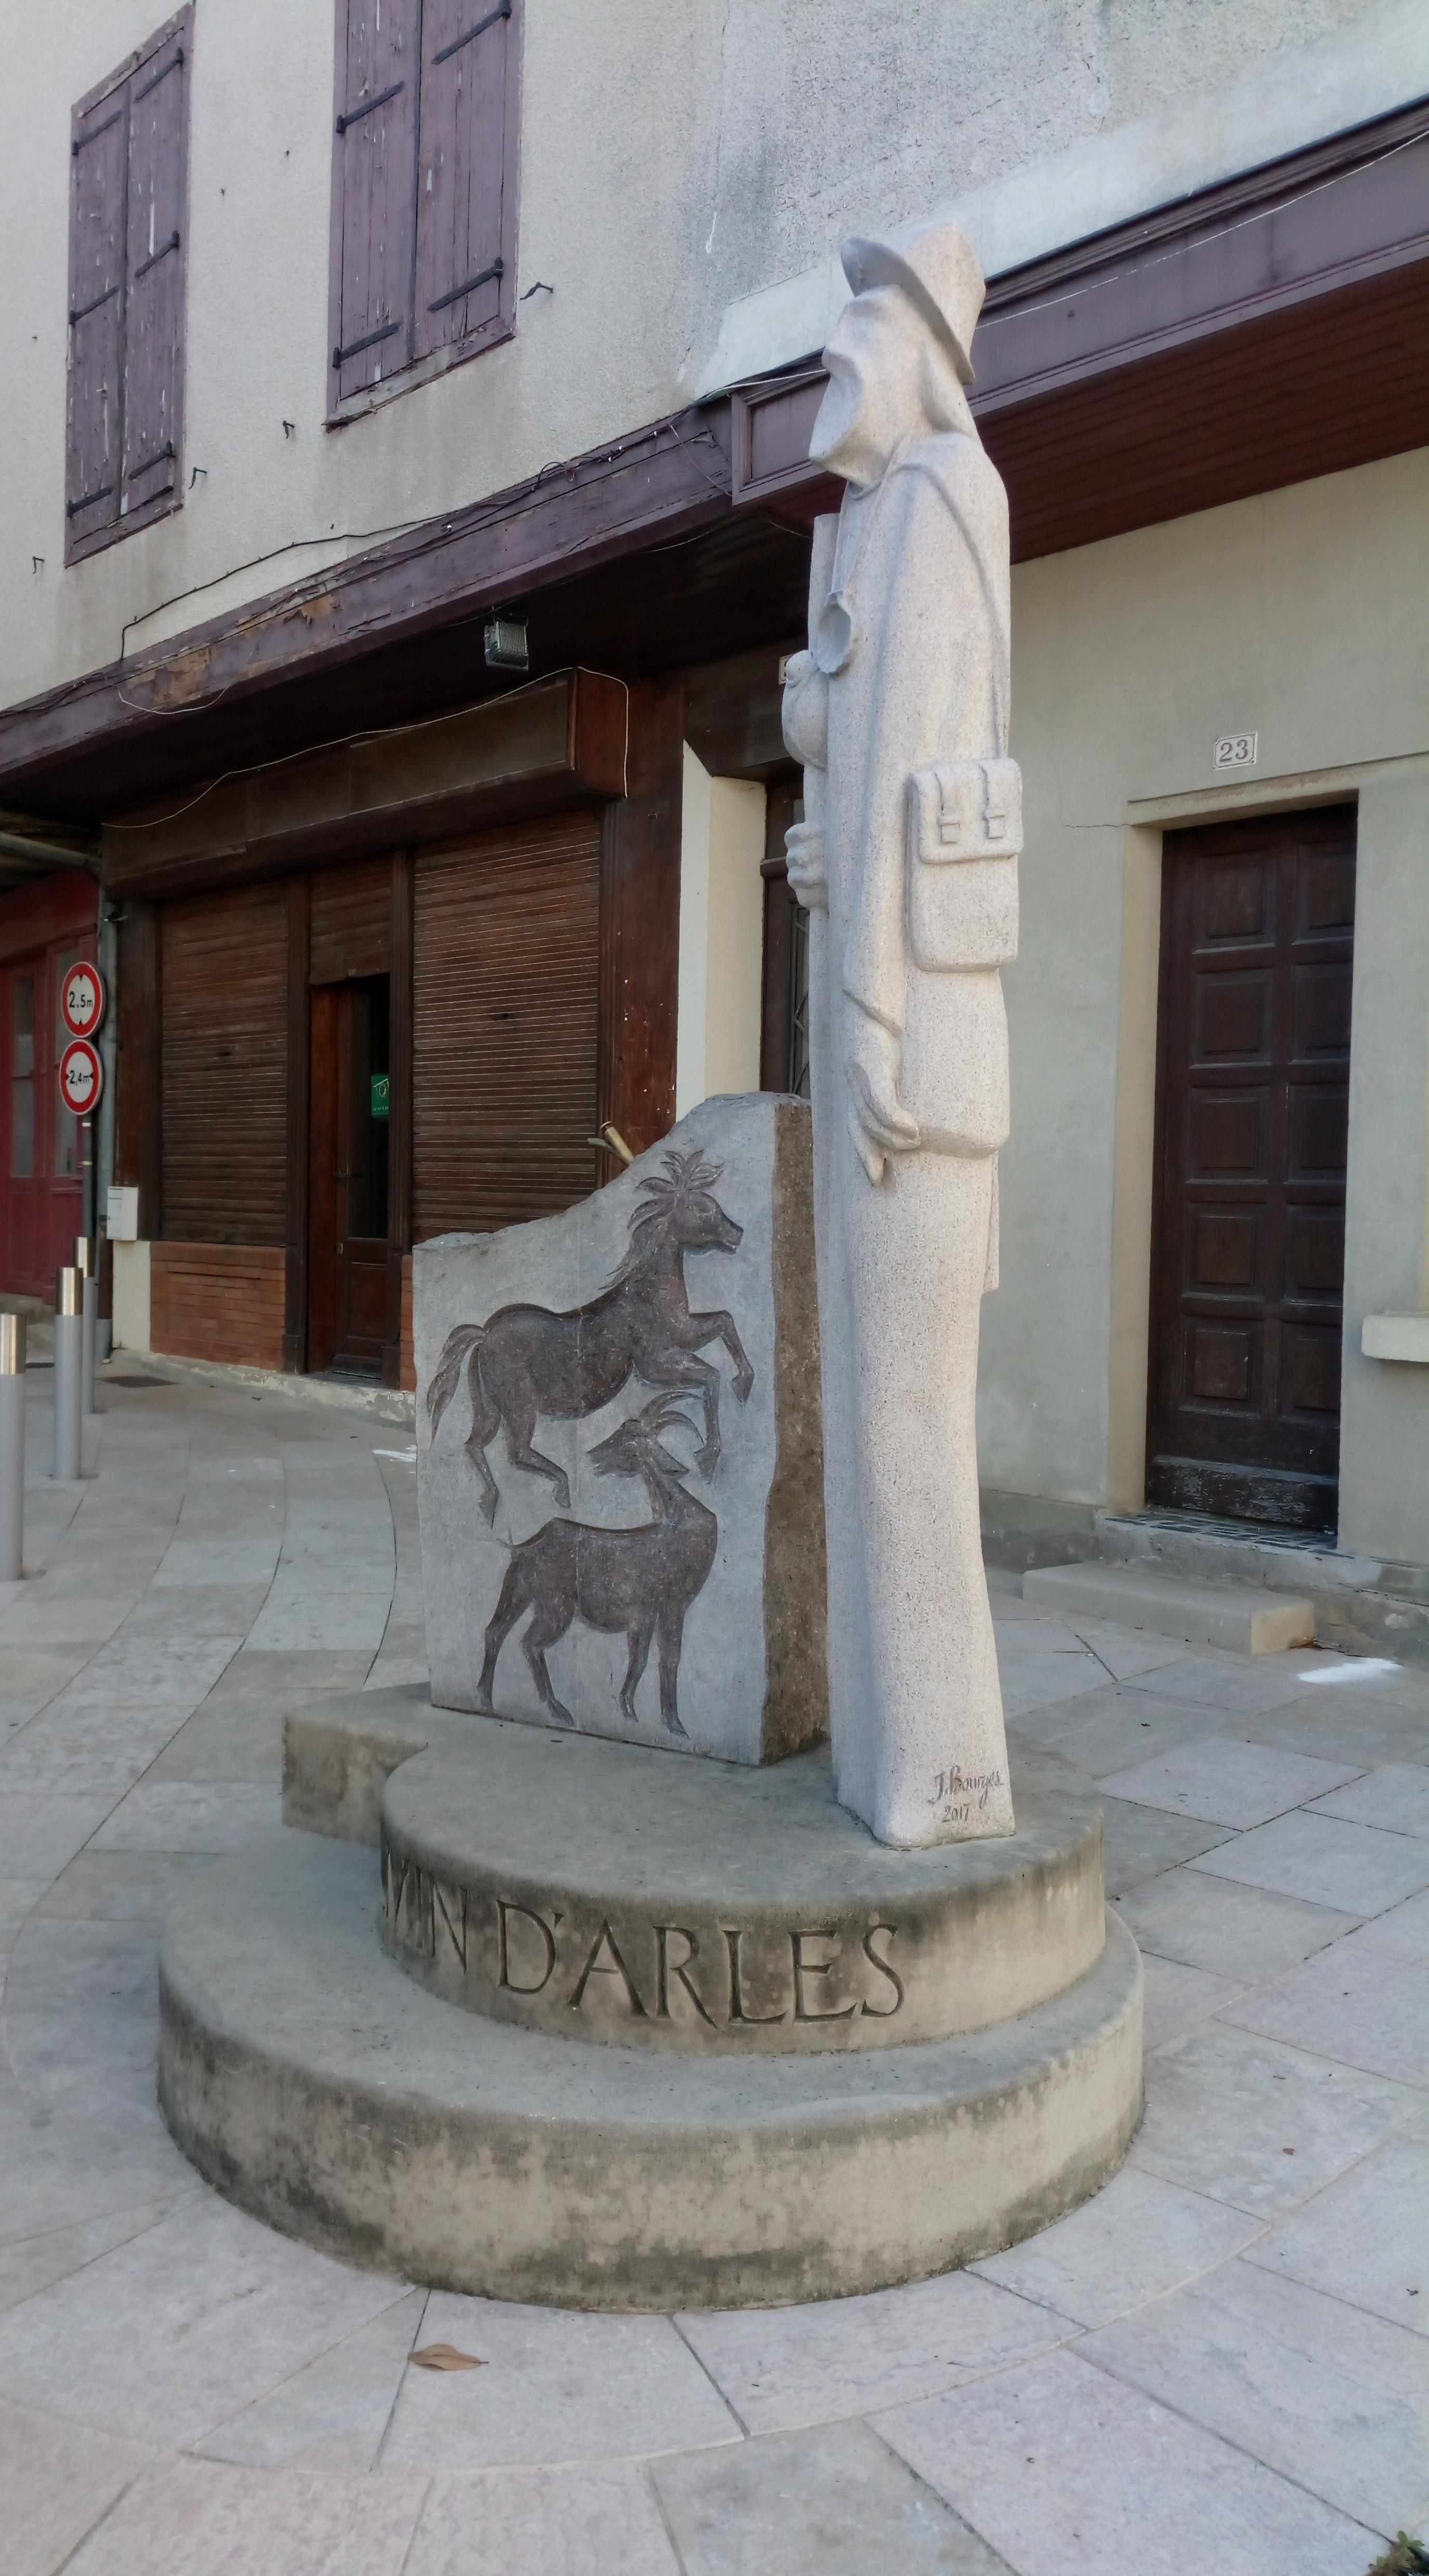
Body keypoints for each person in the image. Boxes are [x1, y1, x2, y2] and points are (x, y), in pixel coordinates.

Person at [779, 216, 1019, 1848]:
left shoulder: (936, 499)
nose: (835, 345)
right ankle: (895, 1760)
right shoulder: (880, 519)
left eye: (866, 319)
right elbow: (873, 792)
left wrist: (863, 1004)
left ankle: (938, 1770)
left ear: (928, 353)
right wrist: (820, 862)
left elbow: (918, 762)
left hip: (913, 1051)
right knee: (880, 1417)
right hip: (894, 1026)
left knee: (907, 1419)